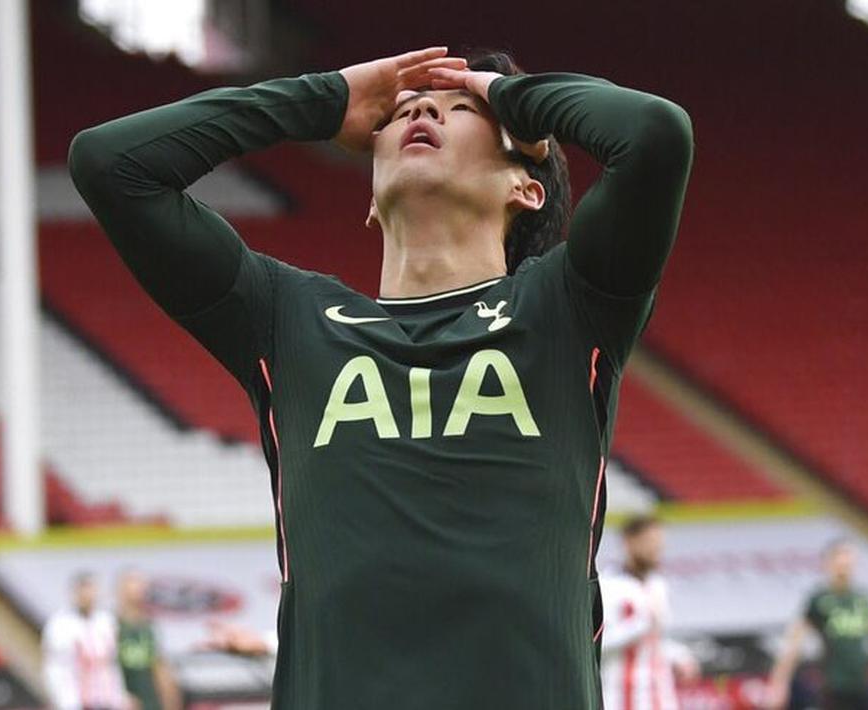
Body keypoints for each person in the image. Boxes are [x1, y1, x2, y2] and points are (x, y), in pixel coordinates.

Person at [69, 46, 693, 708]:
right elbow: (111, 164)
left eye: (461, 108)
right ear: (369, 199)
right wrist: (322, 99)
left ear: (525, 187)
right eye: (399, 112)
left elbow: (653, 134)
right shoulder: (286, 319)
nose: (422, 111)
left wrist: (512, 96)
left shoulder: (567, 308)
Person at [766, 539, 868, 709]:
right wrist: (779, 683)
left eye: (849, 562)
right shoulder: (819, 599)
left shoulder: (863, 598)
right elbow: (793, 644)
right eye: (841, 562)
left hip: (862, 685)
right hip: (833, 687)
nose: (845, 567)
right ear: (829, 564)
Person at [599, 515, 698, 710]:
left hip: (660, 697)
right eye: (650, 542)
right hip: (619, 698)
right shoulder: (607, 585)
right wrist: (642, 623)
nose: (656, 549)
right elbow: (599, 644)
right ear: (629, 542)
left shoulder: (657, 584)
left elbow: (654, 643)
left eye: (659, 543)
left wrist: (679, 656)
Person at [42, 572, 130, 710]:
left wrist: (120, 696)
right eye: (83, 590)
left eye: (91, 590)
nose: (87, 596)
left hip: (106, 699)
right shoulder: (60, 624)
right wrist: (63, 701)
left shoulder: (106, 621)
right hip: (76, 699)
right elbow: (56, 666)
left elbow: (112, 663)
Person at [114, 571, 181, 710]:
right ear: (120, 593)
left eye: (141, 588)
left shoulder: (149, 627)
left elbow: (161, 669)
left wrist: (171, 701)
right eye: (132, 588)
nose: (138, 592)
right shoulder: (110, 626)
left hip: (150, 702)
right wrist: (120, 696)